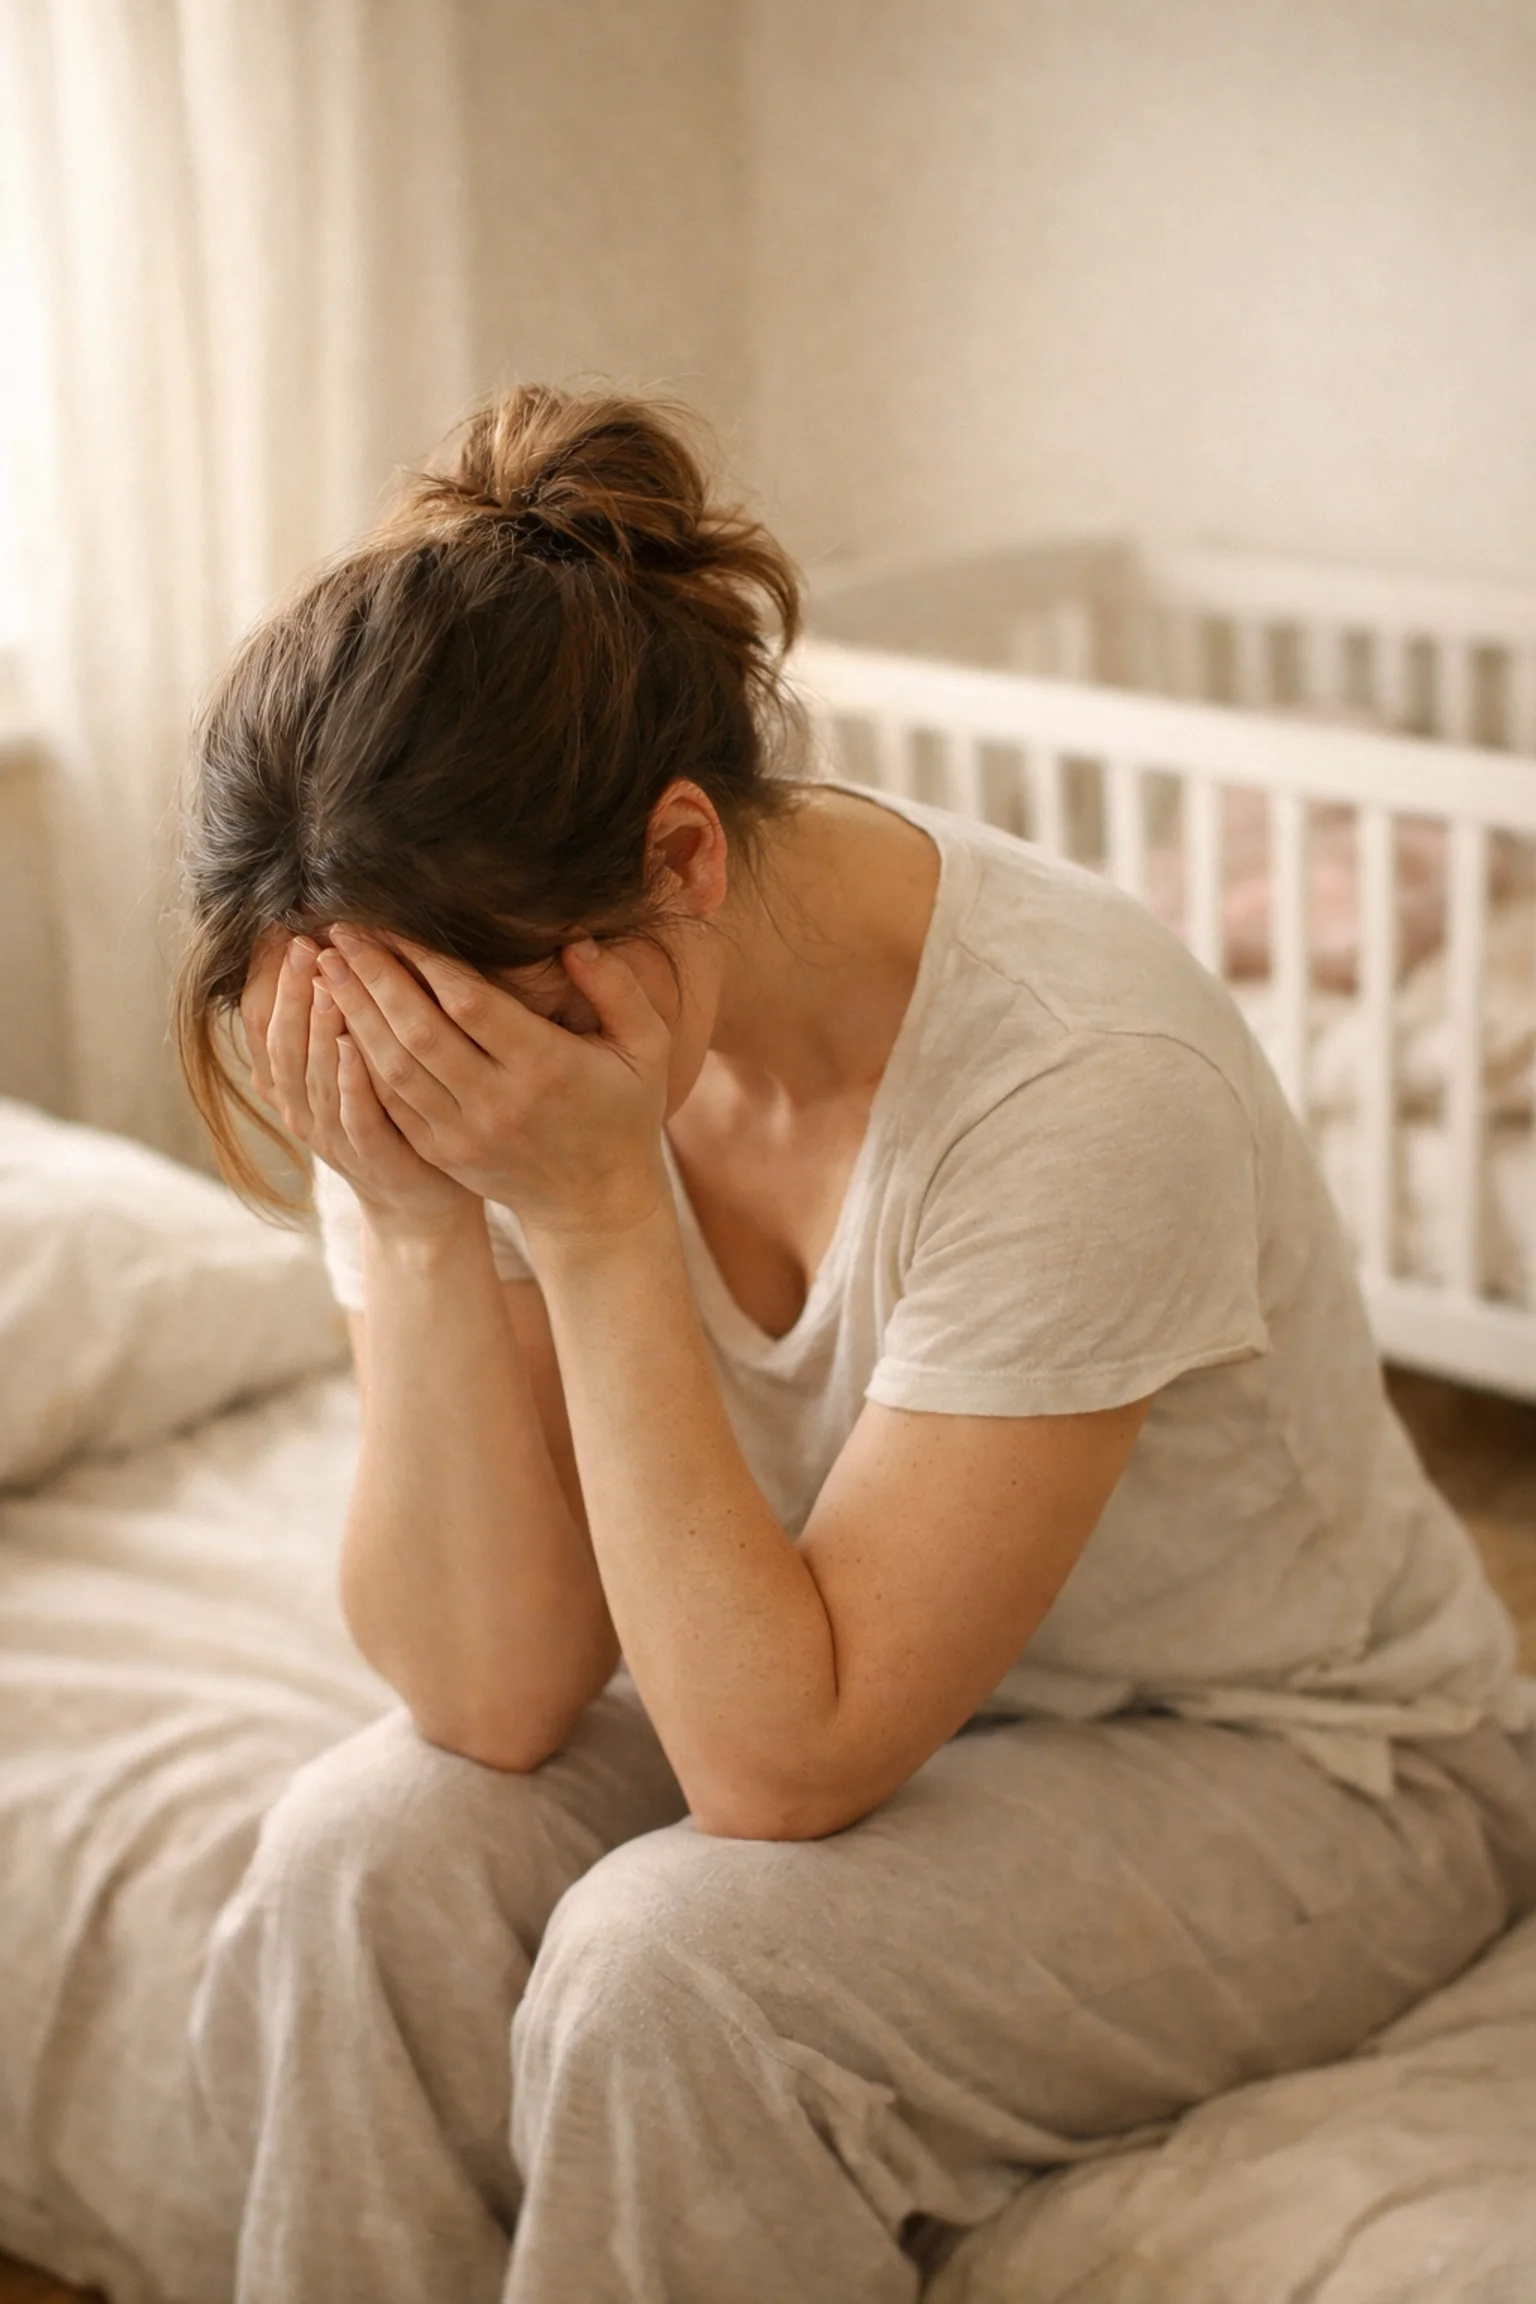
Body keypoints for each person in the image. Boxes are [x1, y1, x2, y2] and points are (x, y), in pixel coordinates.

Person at [175, 384, 1536, 2304]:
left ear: (683, 858)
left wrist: (587, 1214)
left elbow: (776, 1771)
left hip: (1306, 1759)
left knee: (684, 1975)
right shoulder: (425, 996)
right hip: (851, 1679)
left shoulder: (1074, 1076)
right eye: (359, 1033)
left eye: (448, 1046)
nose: (409, 1078)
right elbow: (492, 1693)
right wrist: (412, 1219)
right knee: (362, 1854)